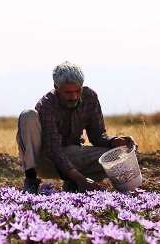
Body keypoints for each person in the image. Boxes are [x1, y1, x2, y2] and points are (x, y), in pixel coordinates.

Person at [17, 62, 137, 194]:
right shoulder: (47, 104)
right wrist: (81, 180)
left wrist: (114, 142)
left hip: (72, 155)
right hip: (44, 161)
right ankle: (31, 179)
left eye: (77, 91)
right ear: (56, 87)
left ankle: (72, 182)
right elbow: (53, 150)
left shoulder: (90, 97)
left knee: (119, 156)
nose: (74, 97)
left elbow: (98, 137)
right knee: (28, 115)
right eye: (68, 92)